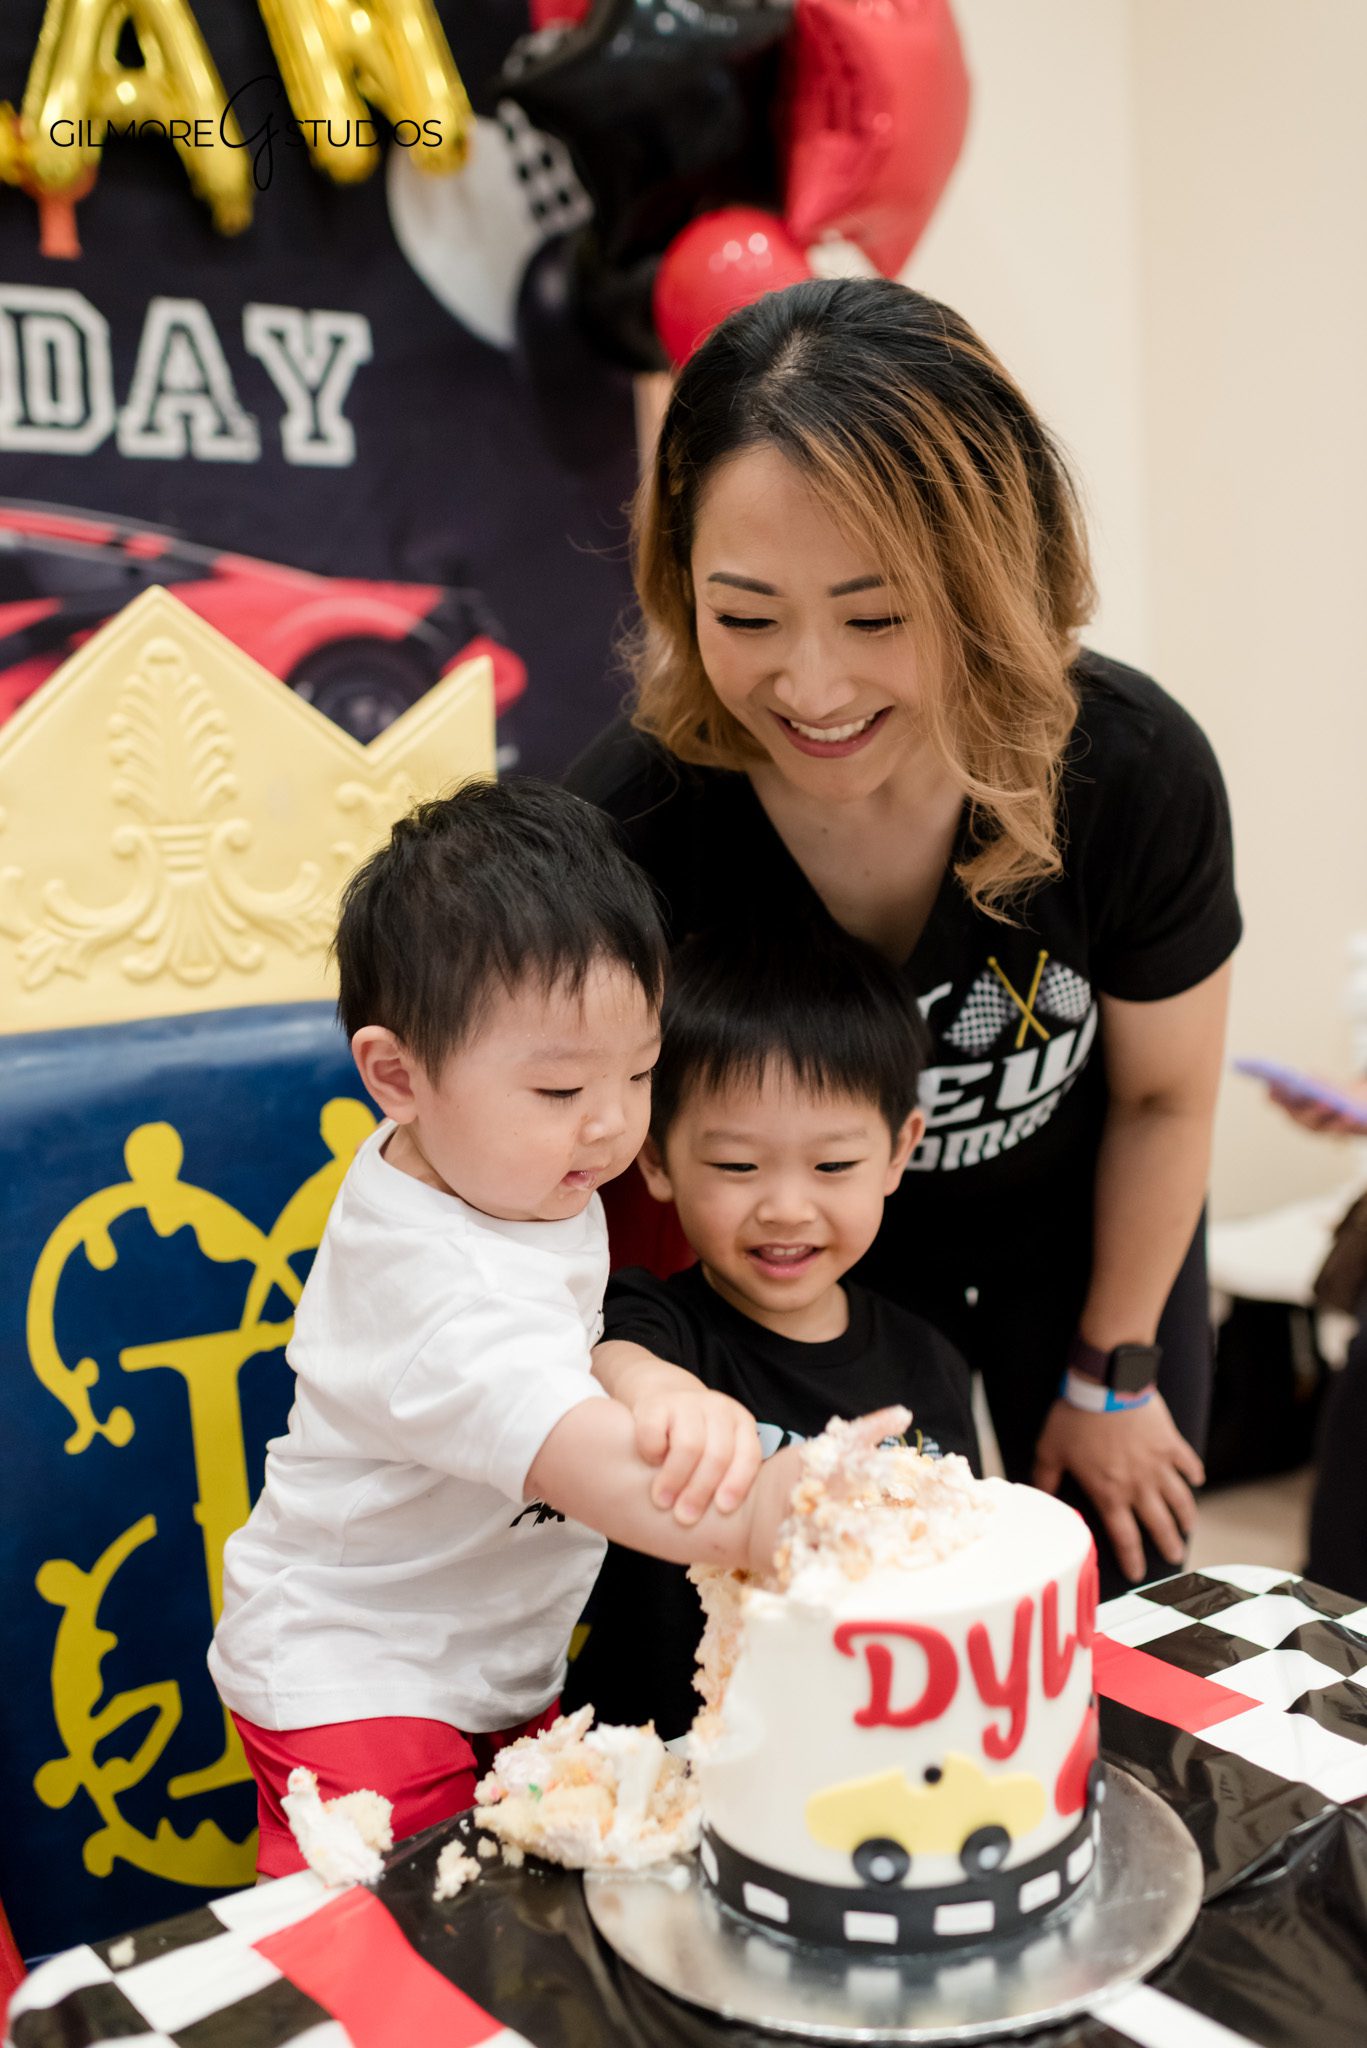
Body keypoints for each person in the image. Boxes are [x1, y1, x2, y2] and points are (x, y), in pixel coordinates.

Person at [567, 276, 1241, 1598]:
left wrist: (1113, 1377)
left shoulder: (1130, 767)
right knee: (836, 1627)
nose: (808, 688)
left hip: (1088, 1239)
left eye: (876, 618)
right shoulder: (629, 824)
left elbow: (1165, 1098)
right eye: (744, 616)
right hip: (797, 1265)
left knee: (1106, 1614)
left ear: (989, 580)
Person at [209, 780, 892, 1876]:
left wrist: (640, 1377)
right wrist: (777, 1515)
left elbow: (563, 1347)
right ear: (398, 1076)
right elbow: (598, 1473)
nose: (615, 1119)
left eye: (636, 1069)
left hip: (491, 1659)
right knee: (391, 1960)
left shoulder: (504, 1171)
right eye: (561, 1085)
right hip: (359, 1678)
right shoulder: (430, 1287)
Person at [563, 921, 980, 1739]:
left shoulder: (928, 1359)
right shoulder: (653, 1322)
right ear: (655, 1160)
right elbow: (615, 1357)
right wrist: (660, 1391)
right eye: (737, 1166)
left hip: (859, 1742)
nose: (786, 1206)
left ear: (899, 1152)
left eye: (832, 1167)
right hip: (653, 1759)